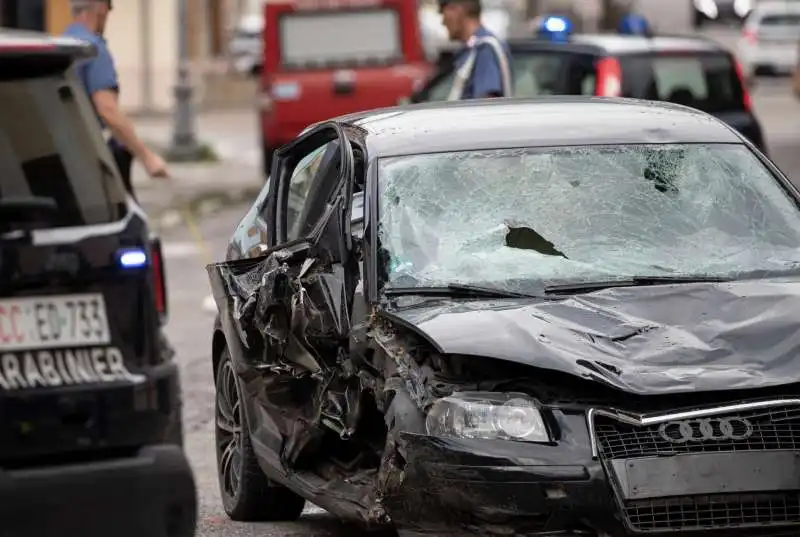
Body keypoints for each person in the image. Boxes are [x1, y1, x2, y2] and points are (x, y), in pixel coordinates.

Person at [62, 0, 168, 200]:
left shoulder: (62, 44)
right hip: (92, 164)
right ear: (101, 7)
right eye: (109, 7)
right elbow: (107, 109)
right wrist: (148, 158)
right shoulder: (93, 49)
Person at [439, 0, 513, 100]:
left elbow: (488, 103)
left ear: (457, 10)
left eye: (443, 13)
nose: (443, 22)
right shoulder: (475, 49)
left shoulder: (485, 49)